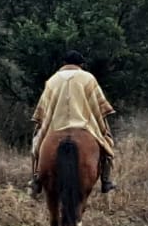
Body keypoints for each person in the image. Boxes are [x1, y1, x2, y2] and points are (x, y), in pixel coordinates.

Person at [28, 50, 118, 198]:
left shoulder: (52, 80)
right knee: (107, 144)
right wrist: (103, 126)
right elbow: (99, 106)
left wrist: (41, 123)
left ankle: (36, 179)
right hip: (84, 124)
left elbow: (43, 108)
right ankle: (106, 180)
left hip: (56, 124)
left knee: (36, 144)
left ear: (64, 63)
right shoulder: (88, 78)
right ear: (81, 64)